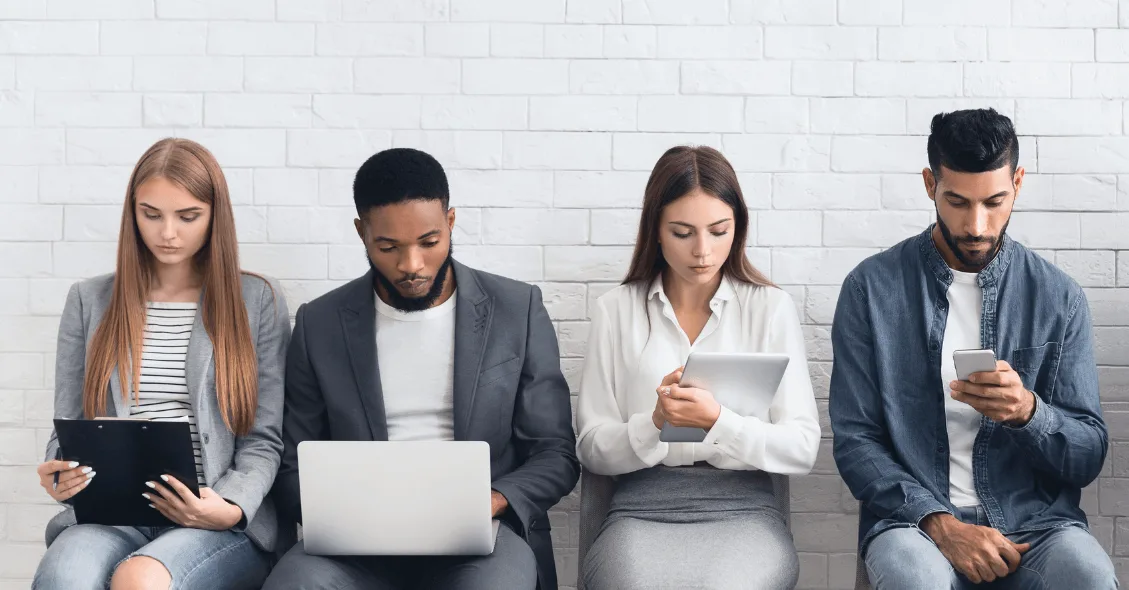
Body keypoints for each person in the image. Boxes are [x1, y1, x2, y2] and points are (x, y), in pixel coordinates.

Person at [263, 147, 579, 590]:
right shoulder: (320, 324)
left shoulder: (516, 310)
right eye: (388, 247)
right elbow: (291, 461)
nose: (411, 265)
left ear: (450, 222)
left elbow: (555, 452)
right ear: (361, 233)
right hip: (357, 542)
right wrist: (347, 511)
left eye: (429, 243)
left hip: (480, 538)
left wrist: (488, 501)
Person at [829, 108, 1116, 589]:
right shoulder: (870, 290)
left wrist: (1028, 412)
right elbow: (857, 442)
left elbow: (1087, 457)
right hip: (916, 525)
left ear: (1018, 183)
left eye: (995, 201)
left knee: (1089, 576)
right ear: (929, 184)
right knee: (913, 579)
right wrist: (943, 525)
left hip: (1036, 525)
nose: (977, 226)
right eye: (957, 202)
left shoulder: (1057, 297)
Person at [32, 138, 291, 590]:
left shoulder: (258, 301)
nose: (167, 232)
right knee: (63, 577)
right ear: (132, 213)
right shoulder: (88, 301)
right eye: (151, 214)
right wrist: (60, 469)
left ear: (215, 217)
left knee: (141, 579)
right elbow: (68, 425)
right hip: (112, 512)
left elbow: (264, 440)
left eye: (188, 216)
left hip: (213, 518)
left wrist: (229, 506)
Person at [575, 145, 821, 589]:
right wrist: (653, 424)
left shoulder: (770, 308)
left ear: (738, 227)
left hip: (743, 510)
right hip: (639, 508)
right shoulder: (616, 310)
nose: (703, 251)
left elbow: (801, 447)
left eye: (719, 230)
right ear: (656, 230)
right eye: (682, 232)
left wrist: (718, 421)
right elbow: (592, 447)